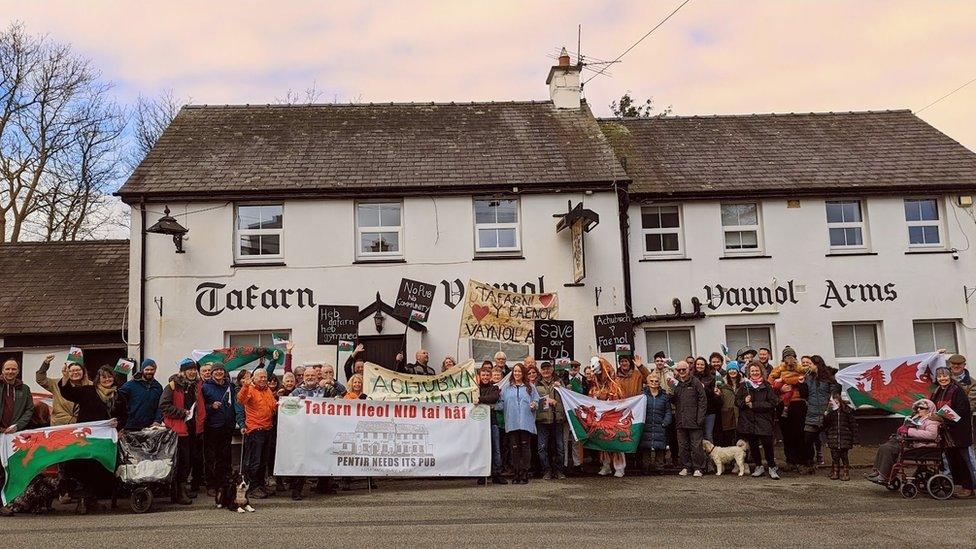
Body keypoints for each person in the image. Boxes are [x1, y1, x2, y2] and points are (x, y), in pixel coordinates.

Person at [59, 365, 118, 514]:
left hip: (103, 439)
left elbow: (124, 414)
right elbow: (68, 392)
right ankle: (82, 501)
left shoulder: (118, 395)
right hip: (85, 438)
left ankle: (92, 500)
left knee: (98, 468)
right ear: (98, 379)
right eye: (104, 377)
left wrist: (119, 424)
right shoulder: (88, 391)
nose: (107, 379)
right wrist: (65, 377)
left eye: (109, 376)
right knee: (82, 466)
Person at [159, 358, 206, 504]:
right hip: (178, 429)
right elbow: (164, 406)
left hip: (192, 428)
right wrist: (182, 413)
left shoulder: (196, 386)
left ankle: (182, 489)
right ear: (183, 371)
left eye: (194, 369)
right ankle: (178, 494)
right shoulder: (172, 386)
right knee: (182, 462)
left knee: (190, 460)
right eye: (189, 369)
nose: (192, 372)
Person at [867, 399, 940, 485]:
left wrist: (909, 431)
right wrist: (904, 427)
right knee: (883, 447)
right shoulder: (917, 418)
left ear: (929, 409)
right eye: (917, 408)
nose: (919, 410)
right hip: (910, 442)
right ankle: (878, 471)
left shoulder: (932, 421)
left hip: (920, 445)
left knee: (888, 449)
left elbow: (931, 435)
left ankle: (883, 476)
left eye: (922, 408)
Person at [931, 366, 974, 498]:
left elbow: (962, 411)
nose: (942, 378)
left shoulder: (957, 391)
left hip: (959, 432)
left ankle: (969, 488)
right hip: (947, 433)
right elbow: (932, 405)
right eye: (939, 376)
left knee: (965, 461)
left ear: (950, 377)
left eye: (945, 376)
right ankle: (962, 486)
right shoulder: (938, 391)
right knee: (953, 461)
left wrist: (941, 417)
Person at [0, 359, 35, 517]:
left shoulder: (25, 389)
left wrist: (17, 426)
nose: (10, 372)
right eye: (7, 369)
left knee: (8, 471)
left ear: (18, 371)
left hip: (13, 436)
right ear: (3, 370)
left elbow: (29, 410)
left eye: (13, 369)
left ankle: (4, 504)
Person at [237, 368, 278, 498]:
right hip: (255, 430)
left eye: (265, 377)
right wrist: (245, 385)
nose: (263, 379)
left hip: (267, 429)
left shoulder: (268, 390)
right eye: (260, 377)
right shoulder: (249, 389)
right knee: (254, 462)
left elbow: (272, 407)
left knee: (263, 461)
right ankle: (252, 488)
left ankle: (260, 485)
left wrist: (281, 404)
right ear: (254, 378)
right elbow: (241, 400)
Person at [737, 361, 780, 479]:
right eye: (752, 371)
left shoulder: (766, 386)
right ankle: (758, 466)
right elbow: (737, 402)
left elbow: (773, 402)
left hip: (764, 420)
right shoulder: (744, 386)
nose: (755, 373)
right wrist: (745, 402)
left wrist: (755, 405)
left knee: (767, 444)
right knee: (753, 445)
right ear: (749, 373)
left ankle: (772, 466)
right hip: (749, 421)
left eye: (757, 370)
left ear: (761, 371)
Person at [768, 346, 807, 471]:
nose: (790, 359)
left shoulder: (800, 368)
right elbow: (770, 383)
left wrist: (785, 379)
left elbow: (804, 379)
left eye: (792, 356)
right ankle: (790, 460)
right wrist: (780, 386)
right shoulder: (778, 368)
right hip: (783, 404)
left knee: (799, 433)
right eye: (787, 356)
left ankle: (802, 460)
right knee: (787, 434)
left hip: (798, 403)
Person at [499, 363, 539, 484]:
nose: (517, 373)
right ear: (512, 373)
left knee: (525, 448)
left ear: (523, 373)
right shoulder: (506, 388)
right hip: (512, 422)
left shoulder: (530, 387)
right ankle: (516, 472)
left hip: (526, 422)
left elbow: (536, 400)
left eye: (519, 371)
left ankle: (524, 472)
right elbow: (500, 403)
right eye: (515, 371)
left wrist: (534, 404)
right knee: (514, 448)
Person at [201, 363, 236, 497]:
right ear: (212, 373)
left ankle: (224, 483)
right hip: (212, 427)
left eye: (221, 370)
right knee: (211, 457)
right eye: (216, 370)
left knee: (225, 456)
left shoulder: (229, 386)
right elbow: (201, 407)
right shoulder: (205, 387)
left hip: (227, 426)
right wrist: (211, 406)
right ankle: (211, 485)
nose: (219, 372)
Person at [801, 355, 838, 474]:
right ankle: (809, 464)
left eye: (810, 364)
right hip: (812, 412)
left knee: (832, 441)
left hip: (826, 413)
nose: (808, 366)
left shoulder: (829, 378)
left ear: (817, 365)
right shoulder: (808, 377)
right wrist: (801, 384)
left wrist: (830, 408)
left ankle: (836, 466)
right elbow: (804, 395)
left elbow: (835, 395)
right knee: (807, 439)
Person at [672, 360, 706, 477]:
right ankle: (686, 466)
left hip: (695, 420)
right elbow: (674, 401)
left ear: (688, 369)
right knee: (682, 446)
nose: (681, 372)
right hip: (681, 420)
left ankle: (698, 468)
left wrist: (700, 418)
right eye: (679, 370)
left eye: (684, 369)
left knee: (696, 446)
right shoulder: (677, 384)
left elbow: (703, 401)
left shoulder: (695, 382)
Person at [534, 362, 565, 480]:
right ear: (540, 371)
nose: (546, 371)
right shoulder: (536, 384)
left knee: (560, 447)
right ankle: (546, 470)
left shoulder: (559, 382)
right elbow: (535, 400)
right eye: (543, 369)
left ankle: (559, 470)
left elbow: (566, 397)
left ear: (552, 370)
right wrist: (548, 401)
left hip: (558, 418)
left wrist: (561, 388)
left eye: (548, 369)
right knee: (542, 447)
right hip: (542, 420)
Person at [477, 363, 505, 485]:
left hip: (492, 422)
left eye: (487, 375)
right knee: (481, 449)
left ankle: (497, 474)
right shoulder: (475, 388)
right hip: (478, 424)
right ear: (479, 376)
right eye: (483, 375)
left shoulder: (494, 388)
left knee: (496, 449)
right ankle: (482, 474)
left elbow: (493, 398)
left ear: (490, 376)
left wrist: (479, 400)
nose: (485, 377)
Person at [116, 358, 163, 430]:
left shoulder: (158, 387)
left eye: (152, 369)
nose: (149, 372)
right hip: (131, 426)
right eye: (147, 369)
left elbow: (160, 406)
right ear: (142, 370)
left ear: (155, 370)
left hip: (150, 427)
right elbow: (118, 398)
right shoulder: (131, 384)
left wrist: (157, 420)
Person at [640, 372, 672, 475]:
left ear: (659, 383)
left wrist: (665, 422)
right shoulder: (642, 395)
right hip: (646, 425)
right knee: (646, 447)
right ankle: (646, 467)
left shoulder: (664, 396)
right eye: (652, 381)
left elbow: (668, 411)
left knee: (660, 447)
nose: (654, 383)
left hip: (660, 424)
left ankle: (660, 468)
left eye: (656, 381)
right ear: (648, 383)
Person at [35, 354, 79, 426]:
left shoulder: (89, 385)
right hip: (59, 424)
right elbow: (40, 379)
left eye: (77, 369)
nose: (75, 372)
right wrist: (45, 364)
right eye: (71, 370)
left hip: (80, 425)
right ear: (65, 369)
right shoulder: (57, 384)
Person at [822, 391, 857, 481]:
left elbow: (853, 424)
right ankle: (835, 472)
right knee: (835, 456)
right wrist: (826, 415)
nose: (835, 405)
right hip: (833, 437)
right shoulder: (831, 413)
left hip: (844, 437)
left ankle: (846, 472)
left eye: (836, 402)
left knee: (844, 456)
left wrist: (854, 437)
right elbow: (825, 425)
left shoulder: (847, 411)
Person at [692, 356, 722, 445]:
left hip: (709, 411)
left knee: (708, 435)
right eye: (698, 364)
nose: (700, 366)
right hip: (696, 412)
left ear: (705, 366)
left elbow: (713, 394)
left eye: (702, 364)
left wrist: (704, 388)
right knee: (698, 436)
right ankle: (700, 457)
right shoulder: (691, 378)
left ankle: (710, 457)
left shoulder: (711, 378)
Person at [718, 361, 743, 448]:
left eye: (734, 369)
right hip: (727, 414)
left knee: (741, 438)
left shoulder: (743, 384)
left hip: (741, 414)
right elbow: (720, 400)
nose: (732, 371)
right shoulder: (722, 384)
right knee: (728, 438)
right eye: (730, 369)